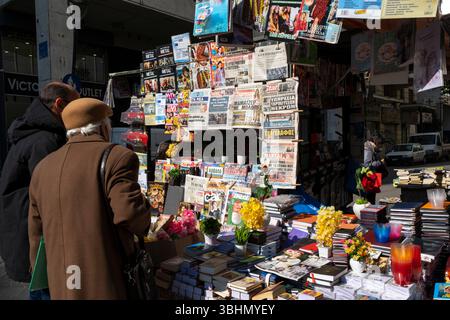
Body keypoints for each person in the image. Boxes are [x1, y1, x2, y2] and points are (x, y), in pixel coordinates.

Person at [28, 98, 151, 300]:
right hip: (106, 279)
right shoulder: (118, 157)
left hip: (62, 281)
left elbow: (35, 234)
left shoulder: (42, 167)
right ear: (103, 127)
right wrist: (146, 210)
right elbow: (130, 214)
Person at [0, 82, 80, 287]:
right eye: (75, 106)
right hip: (31, 239)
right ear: (60, 105)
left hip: (20, 231)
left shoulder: (34, 133)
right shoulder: (45, 141)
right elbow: (51, 196)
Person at [363, 136, 385, 204]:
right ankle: (368, 213)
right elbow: (367, 165)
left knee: (371, 199)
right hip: (369, 178)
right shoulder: (368, 149)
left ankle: (370, 211)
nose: (380, 145)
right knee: (369, 200)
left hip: (372, 178)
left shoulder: (373, 149)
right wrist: (380, 162)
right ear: (375, 142)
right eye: (379, 143)